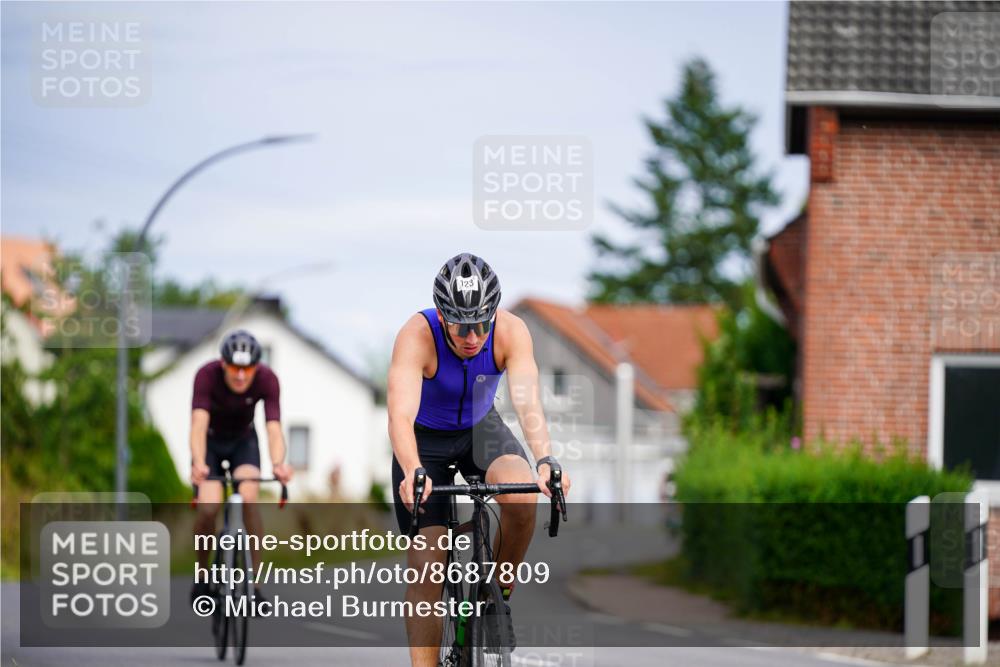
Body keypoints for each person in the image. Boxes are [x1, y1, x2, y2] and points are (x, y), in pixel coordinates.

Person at [388, 252, 571, 666]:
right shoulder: (416, 335)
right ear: (441, 315)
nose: (472, 336)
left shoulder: (512, 332)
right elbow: (399, 415)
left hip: (479, 428)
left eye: (481, 324)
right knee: (426, 571)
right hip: (423, 440)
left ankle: (495, 598)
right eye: (460, 325)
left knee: (522, 496)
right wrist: (413, 468)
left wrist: (545, 459)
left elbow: (528, 405)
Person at [189, 329, 293, 603]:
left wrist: (279, 464)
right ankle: (202, 576)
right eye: (234, 368)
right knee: (209, 508)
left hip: (243, 442)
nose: (240, 376)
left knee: (248, 499)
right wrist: (199, 464)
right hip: (210, 443)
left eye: (247, 369)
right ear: (223, 363)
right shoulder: (206, 376)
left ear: (256, 367)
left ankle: (254, 585)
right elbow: (198, 425)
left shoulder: (268, 380)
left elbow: (273, 429)